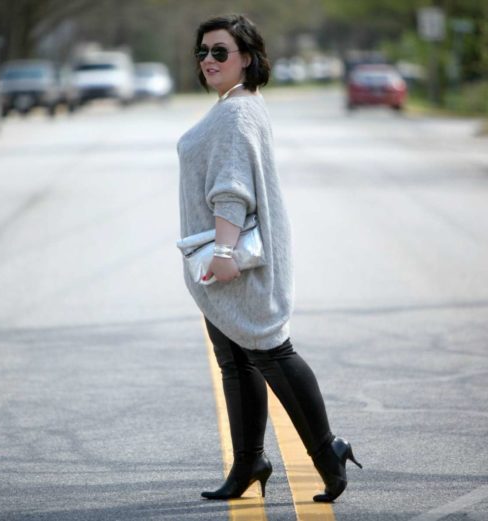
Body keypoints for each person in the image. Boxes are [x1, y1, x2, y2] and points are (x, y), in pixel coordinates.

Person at [176, 14, 362, 502]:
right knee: (236, 363)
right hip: (228, 262)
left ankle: (328, 452)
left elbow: (231, 191)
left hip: (233, 262)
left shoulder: (235, 112)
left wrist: (221, 252)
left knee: (270, 352)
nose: (209, 60)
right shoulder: (242, 105)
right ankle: (249, 464)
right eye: (203, 52)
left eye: (221, 51)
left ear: (248, 58)